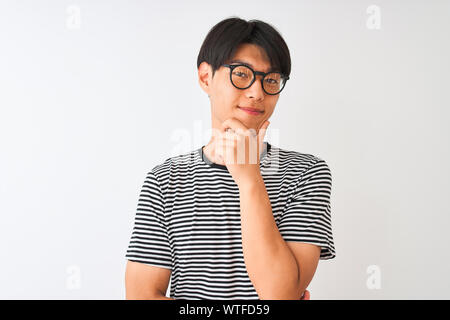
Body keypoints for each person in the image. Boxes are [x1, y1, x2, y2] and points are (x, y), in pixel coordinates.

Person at [124, 16, 336, 300]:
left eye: (271, 80)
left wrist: (249, 178)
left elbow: (278, 296)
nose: (257, 92)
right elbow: (140, 296)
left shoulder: (307, 173)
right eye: (241, 74)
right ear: (205, 77)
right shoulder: (165, 180)